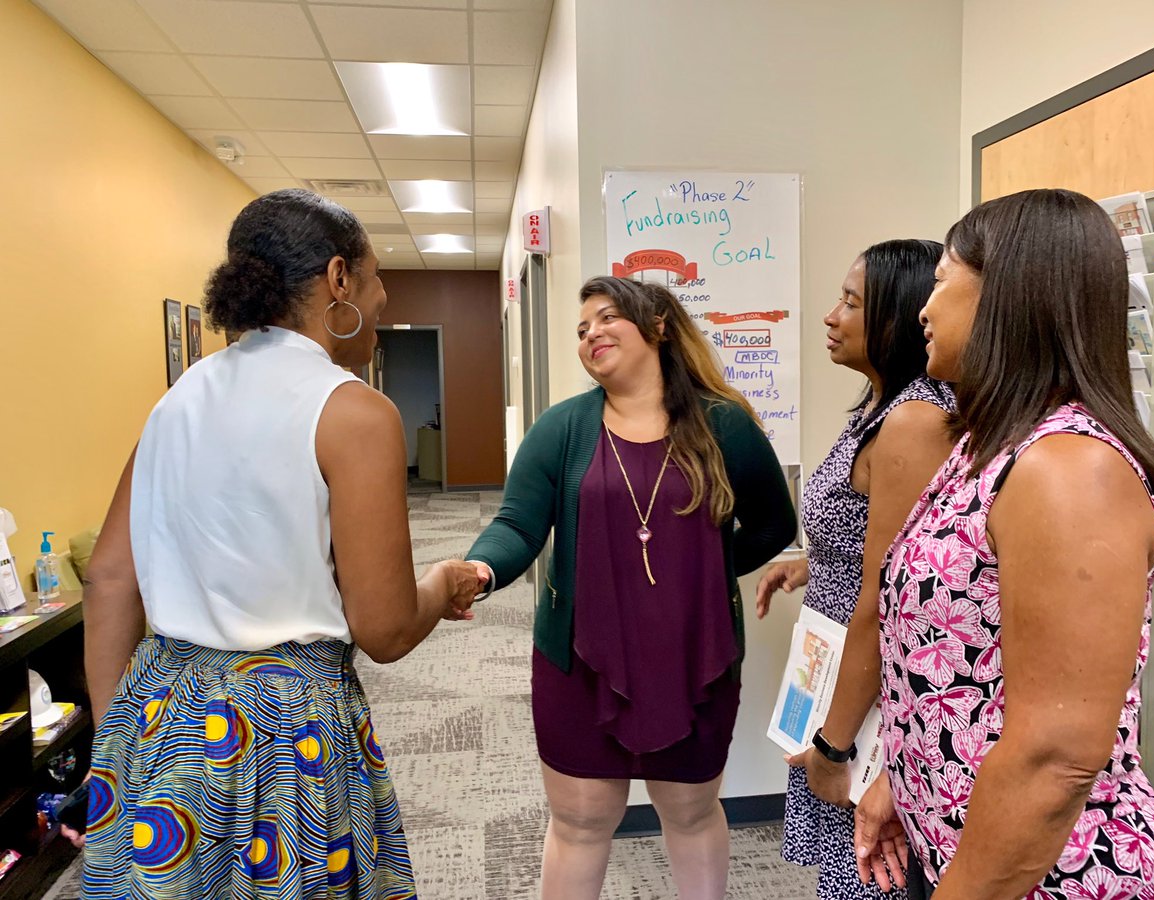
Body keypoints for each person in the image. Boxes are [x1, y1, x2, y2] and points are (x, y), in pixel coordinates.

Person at [73, 189, 485, 898]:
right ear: (338, 279)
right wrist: (444, 582)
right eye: (376, 280)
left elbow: (108, 578)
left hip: (158, 713)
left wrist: (119, 741)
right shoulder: (354, 412)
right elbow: (384, 627)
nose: (380, 301)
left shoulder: (176, 402)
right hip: (281, 736)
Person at [855, 189, 1154, 899]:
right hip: (960, 851)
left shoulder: (1069, 467)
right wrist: (898, 777)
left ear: (1007, 296)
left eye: (942, 282)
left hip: (1058, 878)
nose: (923, 310)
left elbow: (1056, 758)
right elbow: (960, 664)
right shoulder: (986, 443)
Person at [466, 275, 795, 899]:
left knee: (691, 812)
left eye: (607, 317)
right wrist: (480, 570)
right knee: (581, 820)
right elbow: (518, 524)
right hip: (580, 657)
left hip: (695, 658)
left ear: (658, 327)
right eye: (582, 328)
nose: (591, 333)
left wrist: (703, 575)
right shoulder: (563, 428)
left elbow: (774, 524)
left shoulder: (723, 424)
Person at [756, 240, 956, 899]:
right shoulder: (878, 406)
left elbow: (891, 593)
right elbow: (877, 533)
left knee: (869, 874)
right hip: (839, 670)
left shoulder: (914, 422)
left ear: (897, 318)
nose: (830, 315)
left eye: (850, 302)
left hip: (869, 694)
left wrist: (833, 746)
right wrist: (814, 564)